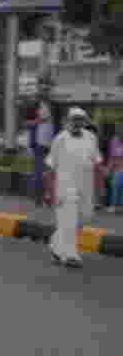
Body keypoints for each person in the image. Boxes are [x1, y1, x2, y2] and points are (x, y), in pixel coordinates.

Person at [46, 108, 102, 268]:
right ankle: (71, 255)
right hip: (65, 187)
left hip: (86, 187)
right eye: (74, 119)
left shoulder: (91, 138)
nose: (77, 122)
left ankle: (56, 246)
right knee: (69, 220)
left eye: (80, 119)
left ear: (84, 121)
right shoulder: (60, 139)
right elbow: (50, 168)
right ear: (68, 121)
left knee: (83, 219)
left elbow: (97, 163)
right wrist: (49, 191)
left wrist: (100, 188)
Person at [106, 127, 123, 213]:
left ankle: (118, 205)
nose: (119, 132)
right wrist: (109, 169)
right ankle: (114, 205)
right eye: (118, 131)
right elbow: (112, 157)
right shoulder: (114, 141)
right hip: (117, 168)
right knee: (115, 185)